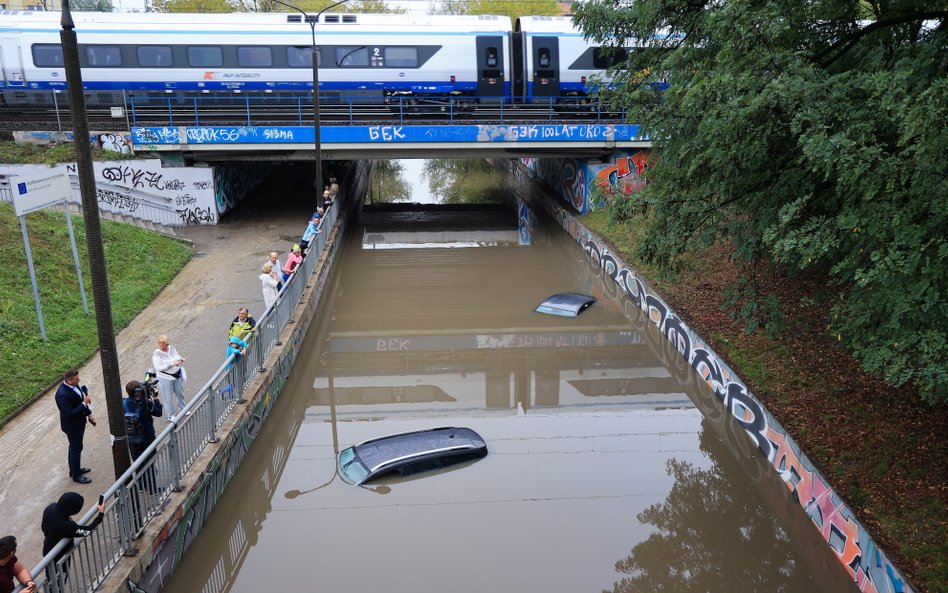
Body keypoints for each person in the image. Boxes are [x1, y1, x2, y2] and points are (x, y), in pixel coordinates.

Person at [41, 492, 105, 582]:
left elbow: (43, 527)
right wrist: (100, 514)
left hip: (48, 547)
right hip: (59, 555)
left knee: (51, 579)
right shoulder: (66, 526)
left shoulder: (51, 507)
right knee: (59, 581)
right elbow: (88, 530)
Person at [123, 379, 163, 497]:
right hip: (147, 438)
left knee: (138, 462)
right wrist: (155, 398)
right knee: (149, 464)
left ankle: (141, 485)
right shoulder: (145, 404)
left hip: (132, 439)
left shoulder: (123, 403)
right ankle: (153, 490)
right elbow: (158, 412)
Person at [54, 369, 94, 484]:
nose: (79, 379)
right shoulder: (62, 395)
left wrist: (88, 414)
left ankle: (74, 470)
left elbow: (80, 399)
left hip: (79, 423)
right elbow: (70, 413)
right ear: (70, 381)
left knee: (74, 447)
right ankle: (76, 475)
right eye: (77, 379)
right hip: (72, 426)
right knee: (76, 449)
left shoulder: (74, 385)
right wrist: (84, 403)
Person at [152, 335, 187, 421]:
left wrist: (180, 359)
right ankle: (171, 415)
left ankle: (183, 409)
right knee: (168, 397)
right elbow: (158, 368)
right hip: (165, 379)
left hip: (177, 375)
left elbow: (177, 356)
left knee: (180, 393)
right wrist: (171, 364)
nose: (161, 344)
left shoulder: (171, 348)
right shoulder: (156, 354)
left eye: (163, 342)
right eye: (159, 342)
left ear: (167, 343)